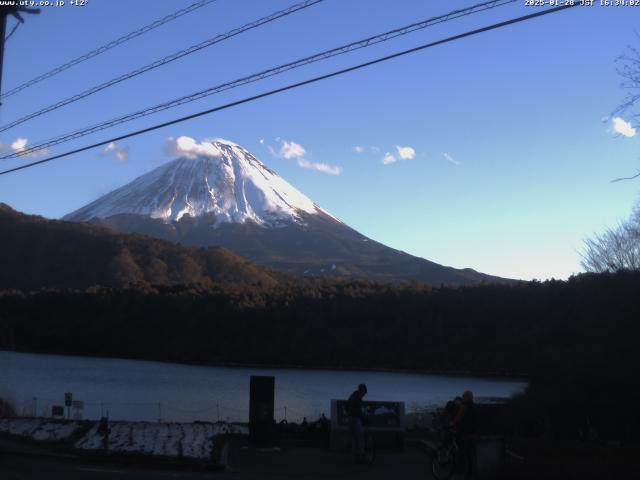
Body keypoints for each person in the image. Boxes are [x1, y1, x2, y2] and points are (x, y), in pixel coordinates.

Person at [453, 390, 477, 479]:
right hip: (473, 434)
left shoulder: (463, 407)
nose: (462, 398)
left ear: (466, 397)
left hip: (464, 433)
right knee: (470, 454)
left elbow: (457, 419)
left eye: (464, 396)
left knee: (462, 452)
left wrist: (453, 424)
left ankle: (461, 470)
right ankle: (471, 472)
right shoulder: (475, 407)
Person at [346, 383, 367, 463]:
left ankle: (354, 458)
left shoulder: (353, 395)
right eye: (365, 392)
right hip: (355, 419)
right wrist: (363, 417)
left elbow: (347, 406)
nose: (365, 394)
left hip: (350, 418)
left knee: (354, 439)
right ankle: (361, 456)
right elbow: (358, 410)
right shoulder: (358, 398)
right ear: (363, 391)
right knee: (360, 438)